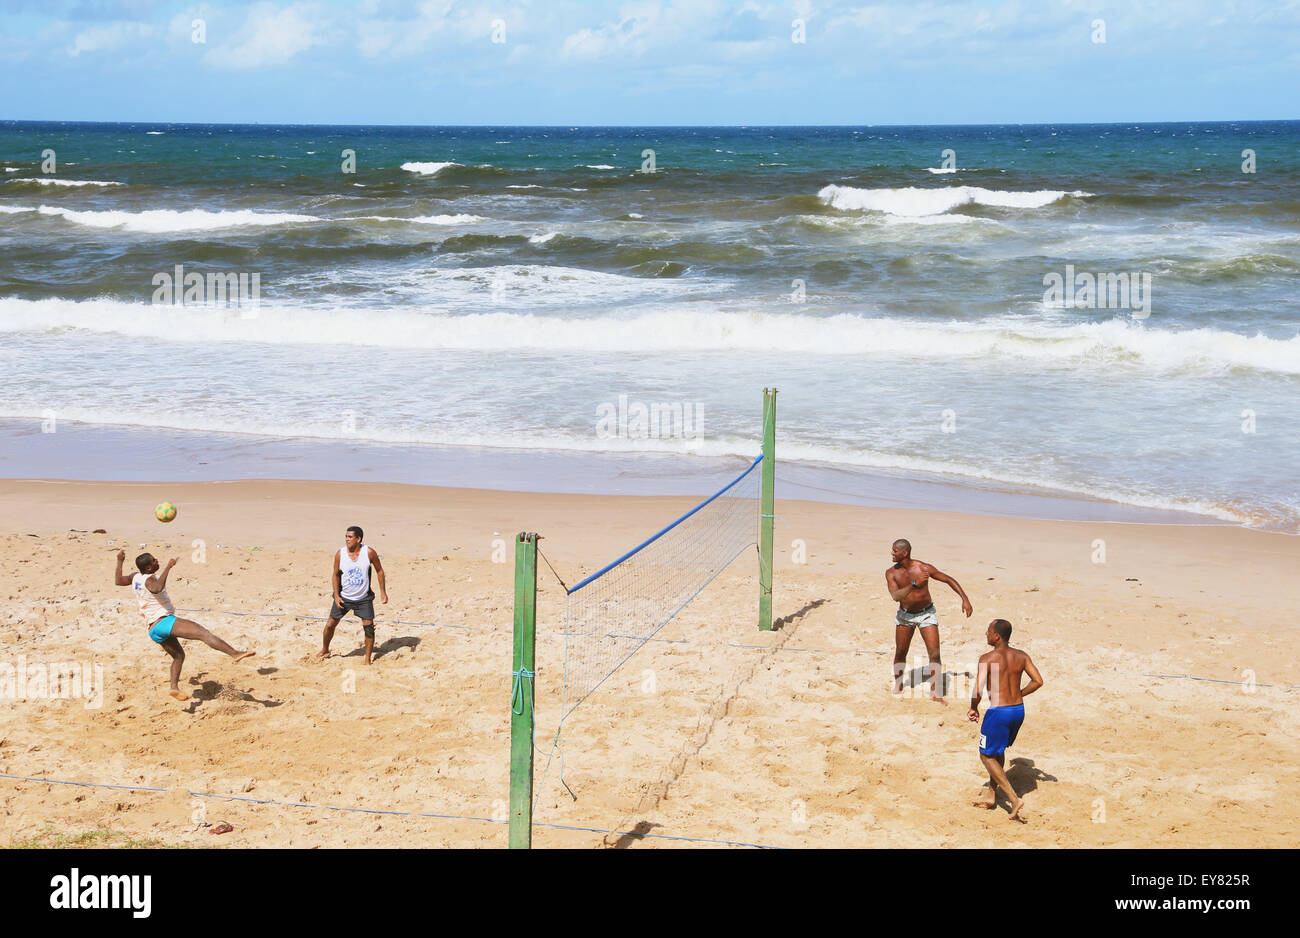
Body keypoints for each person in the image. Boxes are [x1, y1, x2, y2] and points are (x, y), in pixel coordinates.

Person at [114, 550, 254, 701]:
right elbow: (156, 588)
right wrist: (169, 567)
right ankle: (234, 653)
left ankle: (174, 688)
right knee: (202, 633)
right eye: (154, 560)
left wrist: (120, 561)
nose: (157, 560)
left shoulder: (135, 576)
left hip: (153, 629)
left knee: (179, 656)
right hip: (163, 622)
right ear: (148, 567)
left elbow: (119, 580)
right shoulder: (150, 579)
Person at [968, 619, 1044, 821]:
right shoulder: (1021, 656)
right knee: (998, 750)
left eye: (989, 631)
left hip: (999, 712)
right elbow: (1038, 681)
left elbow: (977, 689)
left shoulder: (987, 658)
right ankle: (992, 794)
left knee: (985, 755)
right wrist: (1019, 694)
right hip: (1018, 710)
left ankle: (1013, 799)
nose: (986, 633)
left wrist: (973, 707)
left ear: (997, 636)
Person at [884, 538, 972, 700]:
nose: (892, 553)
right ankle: (898, 683)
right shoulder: (891, 573)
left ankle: (935, 692)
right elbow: (896, 596)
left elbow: (948, 579)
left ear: (905, 553)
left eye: (895, 551)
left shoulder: (923, 568)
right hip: (905, 616)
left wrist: (964, 598)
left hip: (927, 614)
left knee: (935, 653)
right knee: (901, 652)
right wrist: (913, 584)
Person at [315, 525, 388, 665]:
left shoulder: (369, 553)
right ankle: (325, 649)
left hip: (363, 598)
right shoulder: (340, 554)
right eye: (346, 536)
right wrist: (336, 595)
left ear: (358, 539)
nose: (347, 539)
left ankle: (367, 659)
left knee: (369, 627)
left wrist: (383, 592)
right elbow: (335, 575)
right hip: (344, 596)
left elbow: (380, 571)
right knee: (330, 624)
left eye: (350, 537)